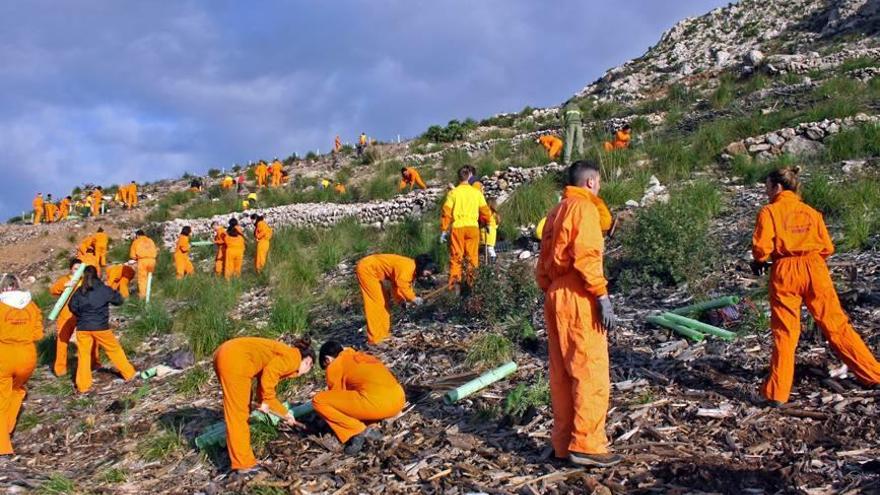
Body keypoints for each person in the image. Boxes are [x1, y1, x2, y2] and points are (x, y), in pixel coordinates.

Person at [752, 167, 880, 405]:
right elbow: (828, 248)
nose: (766, 192)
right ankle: (873, 374)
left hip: (786, 271)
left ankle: (777, 393)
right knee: (836, 326)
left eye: (767, 187)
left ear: (778, 187)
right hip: (815, 268)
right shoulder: (811, 212)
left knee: (786, 332)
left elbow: (761, 250)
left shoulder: (769, 211)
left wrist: (759, 262)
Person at [536, 160, 621, 468]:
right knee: (589, 370)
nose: (599, 189)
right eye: (598, 184)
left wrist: (552, 289)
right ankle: (587, 444)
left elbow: (543, 262)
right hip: (577, 294)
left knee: (562, 374)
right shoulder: (584, 209)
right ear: (590, 182)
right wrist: (601, 295)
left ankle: (563, 443)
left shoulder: (555, 212)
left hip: (554, 294)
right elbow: (586, 255)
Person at [212, 337, 314, 473]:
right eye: (308, 369)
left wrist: (281, 412)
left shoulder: (286, 354)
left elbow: (264, 386)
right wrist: (276, 407)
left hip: (227, 354)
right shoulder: (293, 358)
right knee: (238, 415)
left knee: (241, 410)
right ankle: (243, 464)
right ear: (308, 362)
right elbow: (270, 375)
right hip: (235, 359)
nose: (303, 374)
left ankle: (241, 456)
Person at [313, 341, 405, 454]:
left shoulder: (335, 365)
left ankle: (357, 431)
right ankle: (372, 425)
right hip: (399, 399)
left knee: (318, 401)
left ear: (328, 360)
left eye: (326, 366)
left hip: (378, 404)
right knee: (362, 394)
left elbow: (339, 401)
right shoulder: (360, 356)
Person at [68, 266, 135, 393]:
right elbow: (119, 300)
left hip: (83, 327)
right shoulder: (103, 289)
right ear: (97, 274)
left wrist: (82, 316)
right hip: (101, 327)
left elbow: (71, 307)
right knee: (114, 350)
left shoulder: (79, 291)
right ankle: (129, 373)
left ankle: (83, 386)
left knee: (83, 355)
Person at [0, 274, 43, 456]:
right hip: (27, 355)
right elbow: (38, 334)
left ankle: (3, 446)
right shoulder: (31, 306)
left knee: (1, 398)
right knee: (17, 390)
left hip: (5, 353)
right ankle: (8, 426)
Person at [355, 254, 436, 345]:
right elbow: (402, 286)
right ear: (422, 266)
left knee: (385, 303)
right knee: (376, 304)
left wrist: (400, 301)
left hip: (373, 271)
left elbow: (395, 286)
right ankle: (375, 339)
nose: (427, 276)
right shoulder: (409, 267)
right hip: (367, 269)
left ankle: (383, 335)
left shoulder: (410, 269)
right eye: (427, 272)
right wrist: (413, 298)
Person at [440, 166, 491, 288]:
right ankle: (471, 284)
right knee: (472, 257)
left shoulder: (453, 193)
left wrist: (443, 230)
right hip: (473, 227)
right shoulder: (476, 193)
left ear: (458, 178)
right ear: (469, 176)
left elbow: (446, 212)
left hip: (458, 228)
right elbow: (485, 211)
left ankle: (454, 285)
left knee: (456, 257)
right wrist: (487, 223)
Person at [49, 259, 98, 376]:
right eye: (75, 269)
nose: (77, 271)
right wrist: (64, 286)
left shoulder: (85, 280)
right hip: (65, 316)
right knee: (62, 342)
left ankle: (94, 363)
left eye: (79, 269)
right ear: (71, 269)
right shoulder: (64, 280)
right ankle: (60, 369)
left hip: (82, 316)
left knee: (93, 338)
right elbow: (52, 290)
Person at [129, 230, 157, 299]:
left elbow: (132, 255)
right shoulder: (150, 240)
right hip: (152, 260)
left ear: (137, 235)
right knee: (149, 277)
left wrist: (135, 259)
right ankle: (149, 294)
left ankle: (143, 296)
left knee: (142, 279)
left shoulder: (136, 241)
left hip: (142, 261)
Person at [561, 99, 584, 164]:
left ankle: (566, 160)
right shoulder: (577, 107)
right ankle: (581, 158)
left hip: (570, 125)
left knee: (569, 141)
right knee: (579, 142)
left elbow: (558, 115)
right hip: (578, 125)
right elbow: (582, 117)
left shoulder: (566, 107)